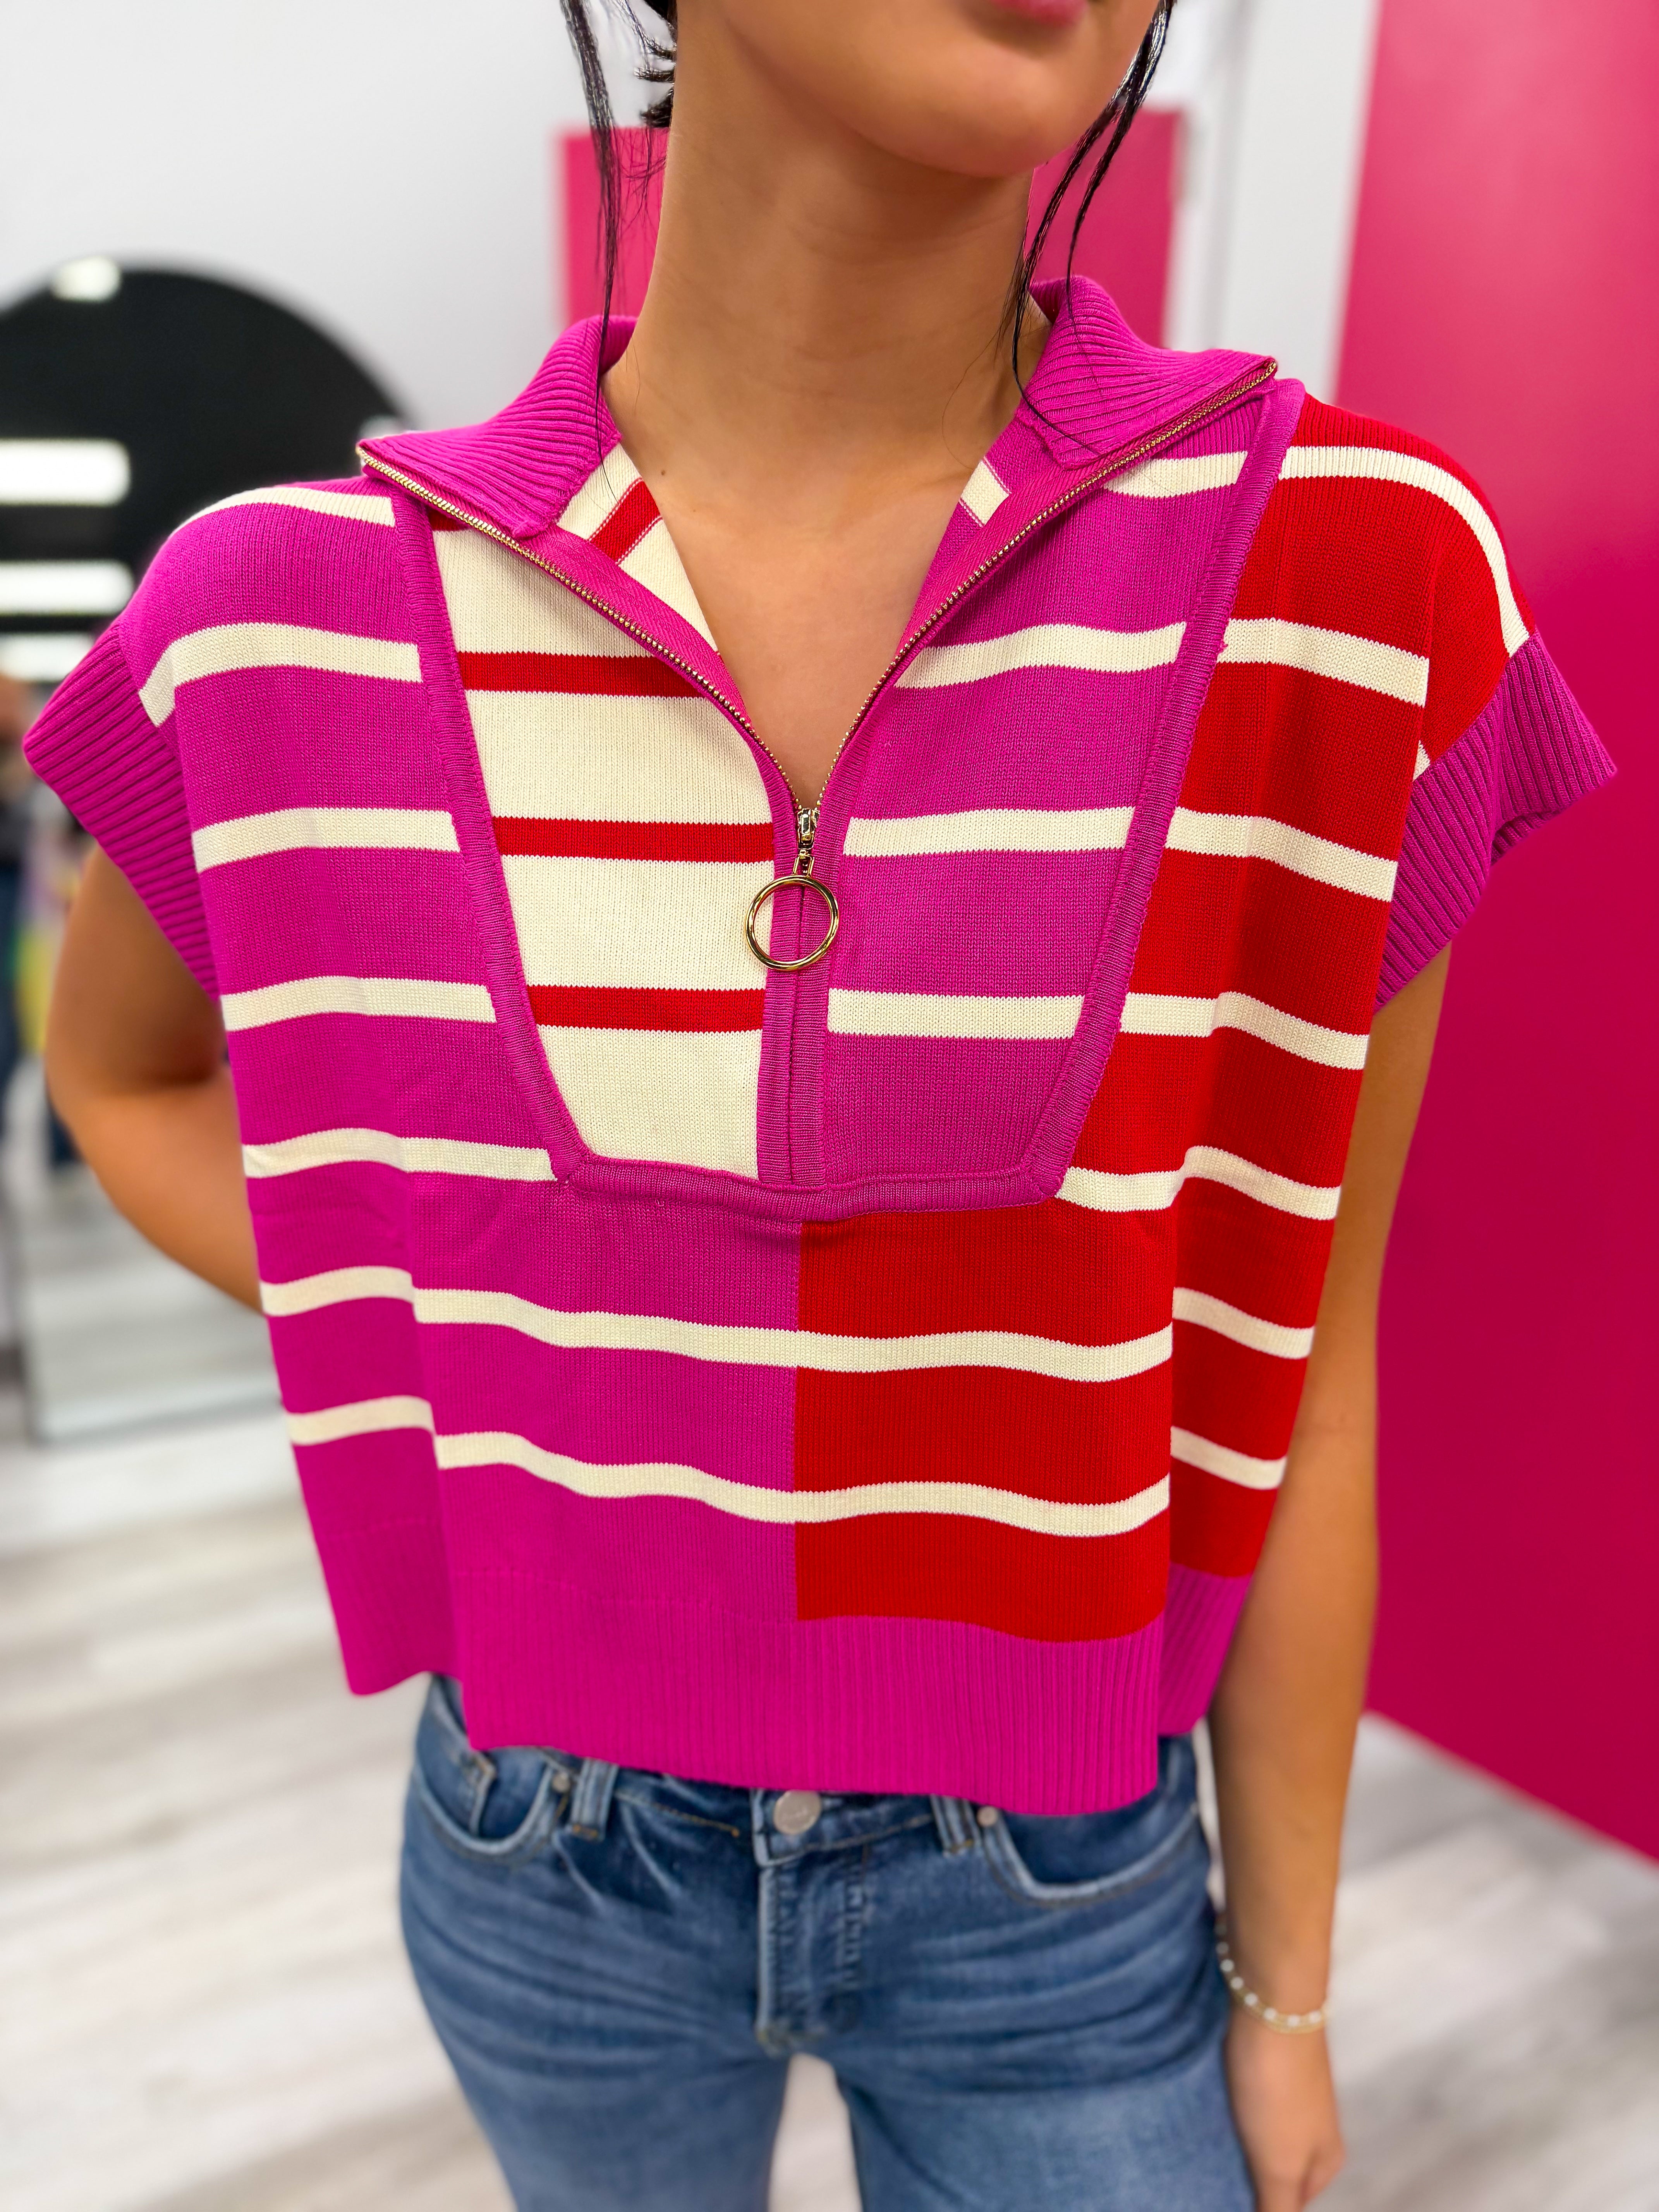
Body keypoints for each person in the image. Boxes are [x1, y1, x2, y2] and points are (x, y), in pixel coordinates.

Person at [24, 3, 1613, 2207]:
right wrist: (491, 1334)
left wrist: (1288, 1993)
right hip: (544, 1848)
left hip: (1063, 1898)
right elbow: (120, 1075)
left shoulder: (1351, 583)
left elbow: (1297, 1362)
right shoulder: (274, 619)